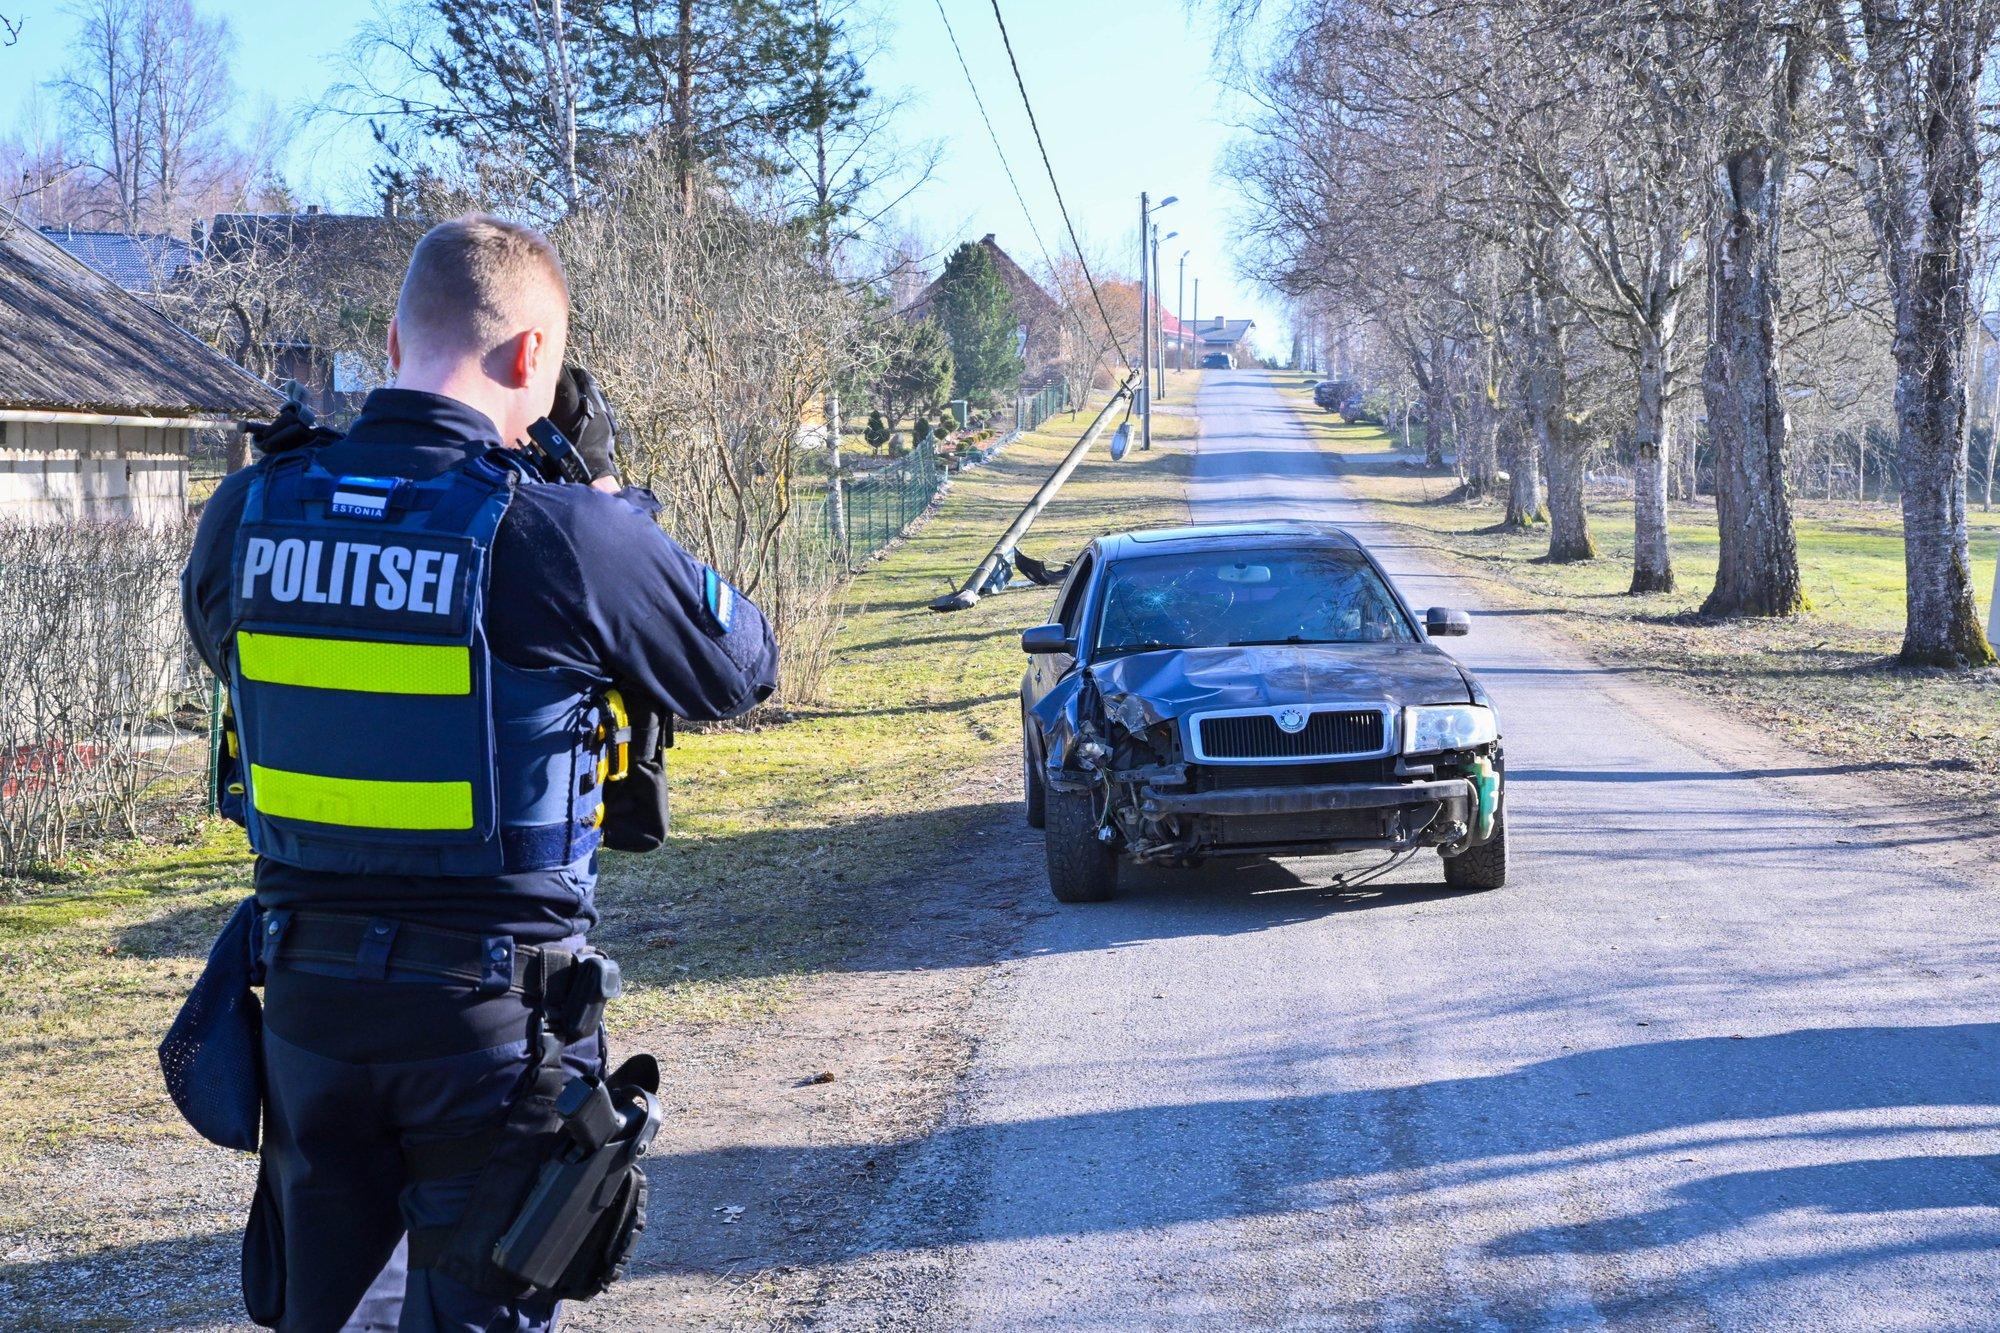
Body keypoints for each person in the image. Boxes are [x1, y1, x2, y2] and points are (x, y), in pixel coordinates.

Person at [180, 214, 777, 1331]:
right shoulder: (559, 534)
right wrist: (608, 504)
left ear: (394, 346)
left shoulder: (246, 514)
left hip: (307, 1010)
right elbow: (740, 663)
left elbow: (238, 656)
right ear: (532, 359)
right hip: (488, 1027)